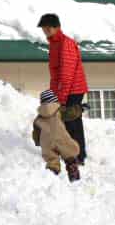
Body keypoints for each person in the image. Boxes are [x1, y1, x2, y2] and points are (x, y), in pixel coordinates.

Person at [37, 13, 88, 164]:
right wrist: (54, 93)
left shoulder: (66, 43)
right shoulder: (54, 44)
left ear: (56, 27)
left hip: (74, 89)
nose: (45, 31)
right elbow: (55, 74)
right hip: (63, 90)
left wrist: (63, 98)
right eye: (43, 28)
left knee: (73, 121)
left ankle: (79, 156)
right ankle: (69, 152)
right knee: (64, 122)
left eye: (48, 28)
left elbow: (67, 73)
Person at [32, 89, 81, 181]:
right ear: (54, 100)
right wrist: (80, 108)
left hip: (46, 142)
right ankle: (72, 168)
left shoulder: (38, 118)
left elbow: (36, 134)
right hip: (60, 137)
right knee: (69, 153)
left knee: (51, 159)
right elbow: (72, 113)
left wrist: (38, 142)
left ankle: (52, 173)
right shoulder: (58, 110)